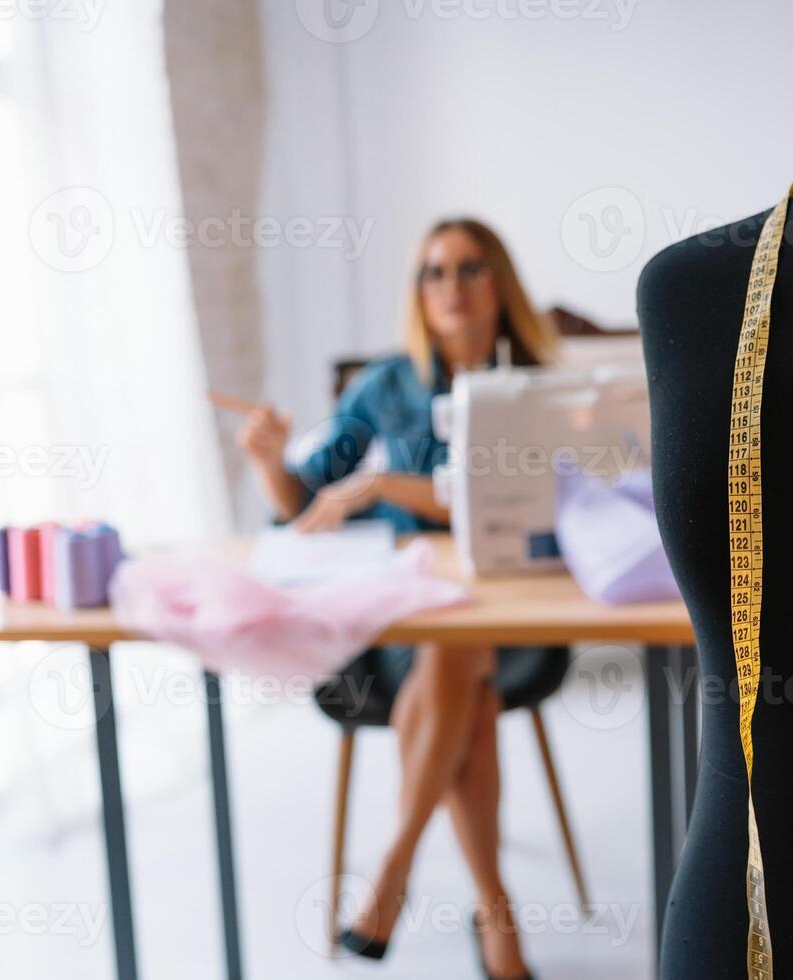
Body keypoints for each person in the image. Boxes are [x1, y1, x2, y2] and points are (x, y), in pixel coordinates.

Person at [238, 218, 557, 978]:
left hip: (516, 617)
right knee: (458, 672)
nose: (451, 287)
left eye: (469, 268)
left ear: (498, 281)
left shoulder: (538, 385)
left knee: (461, 647)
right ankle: (497, 915)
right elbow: (304, 504)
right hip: (397, 630)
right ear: (419, 290)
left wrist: (381, 485)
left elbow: (518, 501)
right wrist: (266, 461)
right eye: (433, 272)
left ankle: (392, 872)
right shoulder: (386, 386)